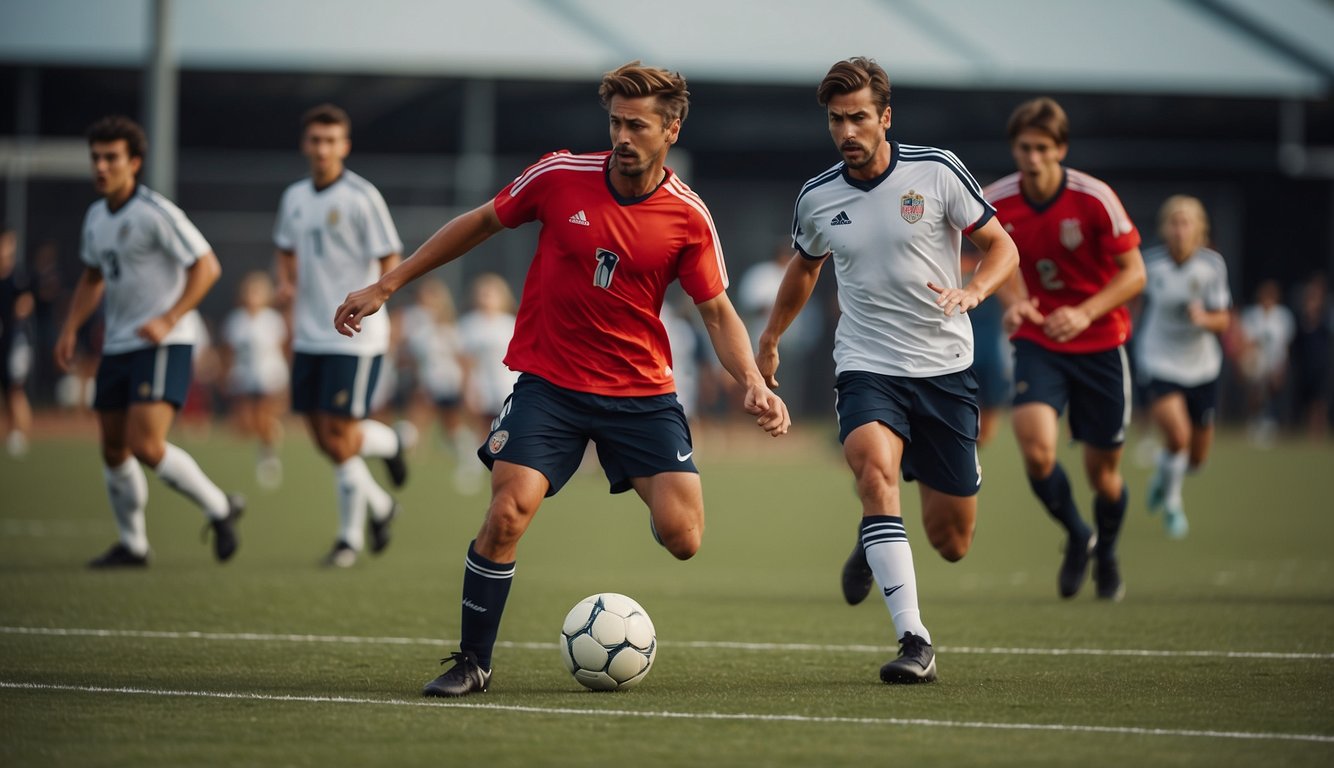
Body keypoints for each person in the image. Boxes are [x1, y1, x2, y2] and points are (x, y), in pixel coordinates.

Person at [334, 60, 790, 698]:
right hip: (551, 386)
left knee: (683, 537)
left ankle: (635, 471)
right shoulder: (559, 176)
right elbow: (481, 222)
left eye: (637, 125)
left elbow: (717, 311)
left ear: (672, 130)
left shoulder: (689, 217)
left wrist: (751, 381)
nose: (622, 136)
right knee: (506, 511)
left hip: (641, 394)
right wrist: (388, 283)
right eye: (615, 122)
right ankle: (472, 661)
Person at [758, 57, 1018, 685]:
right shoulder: (818, 197)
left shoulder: (937, 171)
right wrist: (769, 337)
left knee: (952, 540)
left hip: (947, 369)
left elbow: (1003, 247)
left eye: (859, 117)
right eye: (836, 120)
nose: (847, 130)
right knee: (876, 472)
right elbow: (805, 268)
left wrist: (974, 293)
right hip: (867, 365)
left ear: (885, 118)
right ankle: (915, 640)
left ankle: (874, 539)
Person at [53, 115, 244, 567]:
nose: (102, 166)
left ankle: (219, 507)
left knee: (147, 445)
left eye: (112, 157)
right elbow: (93, 276)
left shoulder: (156, 213)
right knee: (114, 448)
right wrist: (69, 328)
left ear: (134, 162)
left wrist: (169, 317)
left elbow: (207, 266)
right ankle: (134, 544)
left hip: (164, 341)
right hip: (118, 344)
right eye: (96, 158)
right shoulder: (96, 216)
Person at [985, 97, 1146, 602]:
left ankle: (1109, 552)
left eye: (1041, 148)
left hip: (1100, 344)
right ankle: (1079, 535)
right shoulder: (995, 200)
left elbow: (1135, 274)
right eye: (1023, 147)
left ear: (1061, 149)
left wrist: (1084, 312)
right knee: (1035, 451)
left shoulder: (1095, 198)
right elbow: (992, 257)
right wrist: (1011, 301)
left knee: (1105, 475)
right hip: (1039, 343)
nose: (1031, 157)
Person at [274, 104, 408, 568]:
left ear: (344, 146)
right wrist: (287, 283)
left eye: (331, 141)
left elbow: (392, 257)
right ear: (305, 144)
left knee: (342, 436)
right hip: (311, 333)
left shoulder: (361, 197)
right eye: (315, 140)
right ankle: (382, 502)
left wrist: (378, 298)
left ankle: (349, 538)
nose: (322, 148)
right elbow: (285, 250)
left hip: (356, 334)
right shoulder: (293, 197)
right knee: (323, 437)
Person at [1137, 195, 1232, 539]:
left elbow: (1223, 319)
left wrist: (1205, 318)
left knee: (1196, 460)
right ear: (1164, 228)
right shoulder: (1150, 264)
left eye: (1186, 223)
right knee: (1177, 436)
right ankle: (1173, 504)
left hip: (1202, 366)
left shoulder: (1212, 266)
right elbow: (1130, 299)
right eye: (1173, 223)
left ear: (1199, 230)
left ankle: (1162, 478)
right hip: (1159, 358)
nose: (1179, 231)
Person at [221, 270, 289, 489]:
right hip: (244, 376)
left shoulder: (272, 320)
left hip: (269, 375)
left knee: (263, 418)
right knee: (245, 424)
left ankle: (268, 457)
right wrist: (228, 374)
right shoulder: (235, 321)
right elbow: (229, 351)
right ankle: (265, 443)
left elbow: (281, 348)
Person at [1237, 279, 1295, 446]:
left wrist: (1280, 367)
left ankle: (1270, 422)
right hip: (1257, 361)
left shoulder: (1283, 316)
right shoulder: (1252, 315)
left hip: (1276, 363)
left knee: (1272, 392)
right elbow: (1247, 342)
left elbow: (1285, 345)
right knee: (1256, 391)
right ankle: (1256, 422)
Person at [1, 225, 34, 457]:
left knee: (15, 389)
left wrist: (16, 316)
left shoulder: (17, 275)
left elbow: (26, 302)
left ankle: (21, 435)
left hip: (14, 340)